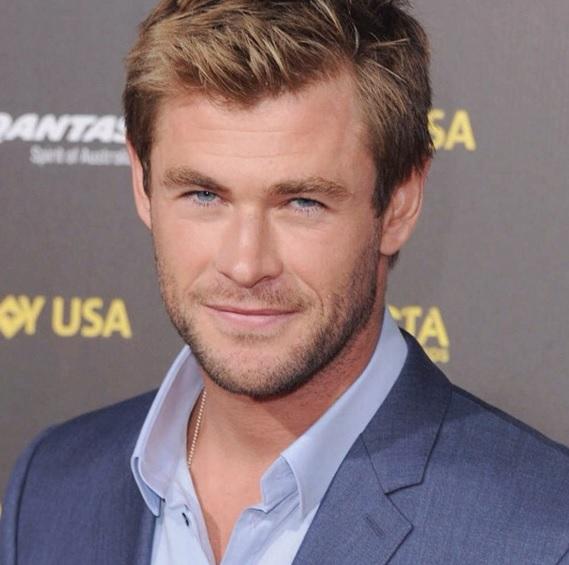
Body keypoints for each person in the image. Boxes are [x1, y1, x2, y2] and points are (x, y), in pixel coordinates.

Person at [2, 0, 569, 563]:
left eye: (302, 202)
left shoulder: (543, 535)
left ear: (399, 202)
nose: (246, 264)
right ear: (142, 183)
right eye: (204, 195)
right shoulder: (51, 486)